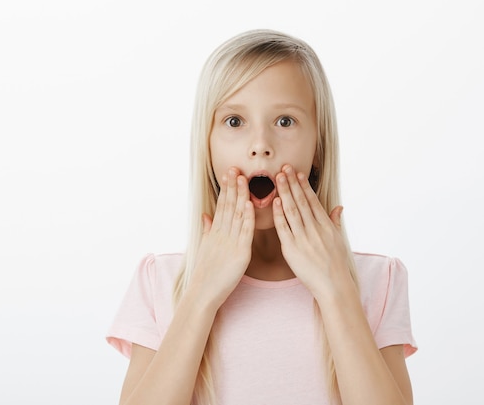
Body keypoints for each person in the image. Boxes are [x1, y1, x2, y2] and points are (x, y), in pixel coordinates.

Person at [106, 29, 417, 405]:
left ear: (318, 148)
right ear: (207, 146)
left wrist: (336, 292)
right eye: (235, 122)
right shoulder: (159, 281)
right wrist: (201, 295)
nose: (260, 146)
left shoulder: (378, 282)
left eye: (285, 121)